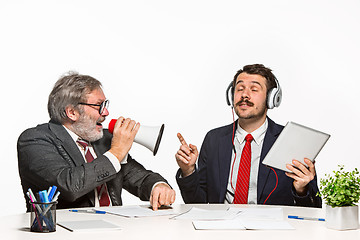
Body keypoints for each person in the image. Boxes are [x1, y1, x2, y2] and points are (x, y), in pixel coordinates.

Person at [18, 72, 175, 211]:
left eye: (105, 105)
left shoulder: (104, 140)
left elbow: (139, 177)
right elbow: (69, 186)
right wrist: (116, 153)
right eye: (99, 106)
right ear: (71, 112)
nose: (106, 113)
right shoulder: (35, 140)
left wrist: (158, 186)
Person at [175, 64, 321, 207]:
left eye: (254, 89)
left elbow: (313, 210)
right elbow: (197, 204)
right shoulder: (214, 139)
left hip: (271, 229)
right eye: (239, 89)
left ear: (271, 99)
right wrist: (188, 171)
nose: (244, 95)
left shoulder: (290, 140)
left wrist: (301, 190)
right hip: (222, 227)